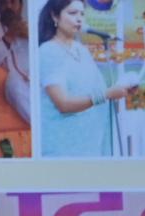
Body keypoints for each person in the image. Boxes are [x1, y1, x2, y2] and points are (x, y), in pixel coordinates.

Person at [34, 0, 131, 150]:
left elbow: (97, 91)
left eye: (82, 14)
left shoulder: (81, 50)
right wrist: (107, 94)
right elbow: (63, 104)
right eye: (73, 13)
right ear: (54, 16)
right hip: (63, 144)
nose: (79, 19)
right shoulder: (48, 51)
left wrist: (120, 90)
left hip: (92, 140)